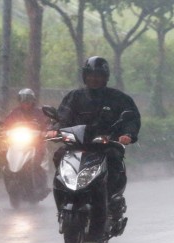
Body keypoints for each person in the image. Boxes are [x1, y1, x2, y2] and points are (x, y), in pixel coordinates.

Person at [45, 56, 141, 214]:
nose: (94, 79)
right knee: (59, 155)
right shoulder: (74, 97)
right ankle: (65, 195)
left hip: (105, 147)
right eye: (90, 75)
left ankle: (110, 198)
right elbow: (62, 117)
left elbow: (130, 117)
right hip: (76, 146)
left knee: (114, 159)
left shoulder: (118, 98)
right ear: (84, 76)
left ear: (105, 77)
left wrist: (127, 134)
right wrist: (54, 129)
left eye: (98, 75)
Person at [0, 88, 51, 195]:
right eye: (23, 99)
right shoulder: (15, 112)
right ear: (19, 100)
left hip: (35, 144)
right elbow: (7, 122)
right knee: (4, 155)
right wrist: (1, 125)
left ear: (33, 100)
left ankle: (40, 186)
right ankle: (10, 177)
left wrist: (46, 131)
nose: (26, 102)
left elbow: (46, 123)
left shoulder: (39, 113)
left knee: (37, 161)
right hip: (18, 143)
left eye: (28, 99)